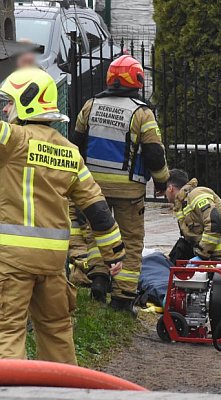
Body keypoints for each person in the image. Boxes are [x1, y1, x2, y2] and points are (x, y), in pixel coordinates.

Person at [0, 42, 125, 363]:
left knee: (5, 331)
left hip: (13, 263)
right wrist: (114, 254)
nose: (5, 110)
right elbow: (96, 207)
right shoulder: (69, 153)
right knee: (57, 332)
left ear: (27, 102)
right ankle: (65, 388)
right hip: (53, 265)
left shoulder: (14, 142)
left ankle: (12, 389)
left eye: (9, 103)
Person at [72, 55, 170, 314]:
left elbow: (76, 144)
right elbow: (154, 153)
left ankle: (99, 276)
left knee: (97, 233)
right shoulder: (142, 113)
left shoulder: (90, 106)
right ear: (137, 80)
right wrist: (162, 181)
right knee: (131, 241)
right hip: (129, 191)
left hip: (93, 189)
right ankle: (122, 300)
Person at [165, 169, 221, 263]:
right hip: (213, 251)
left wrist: (202, 255)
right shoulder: (183, 203)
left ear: (170, 188)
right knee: (180, 249)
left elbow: (214, 223)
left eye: (165, 190)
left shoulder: (196, 194)